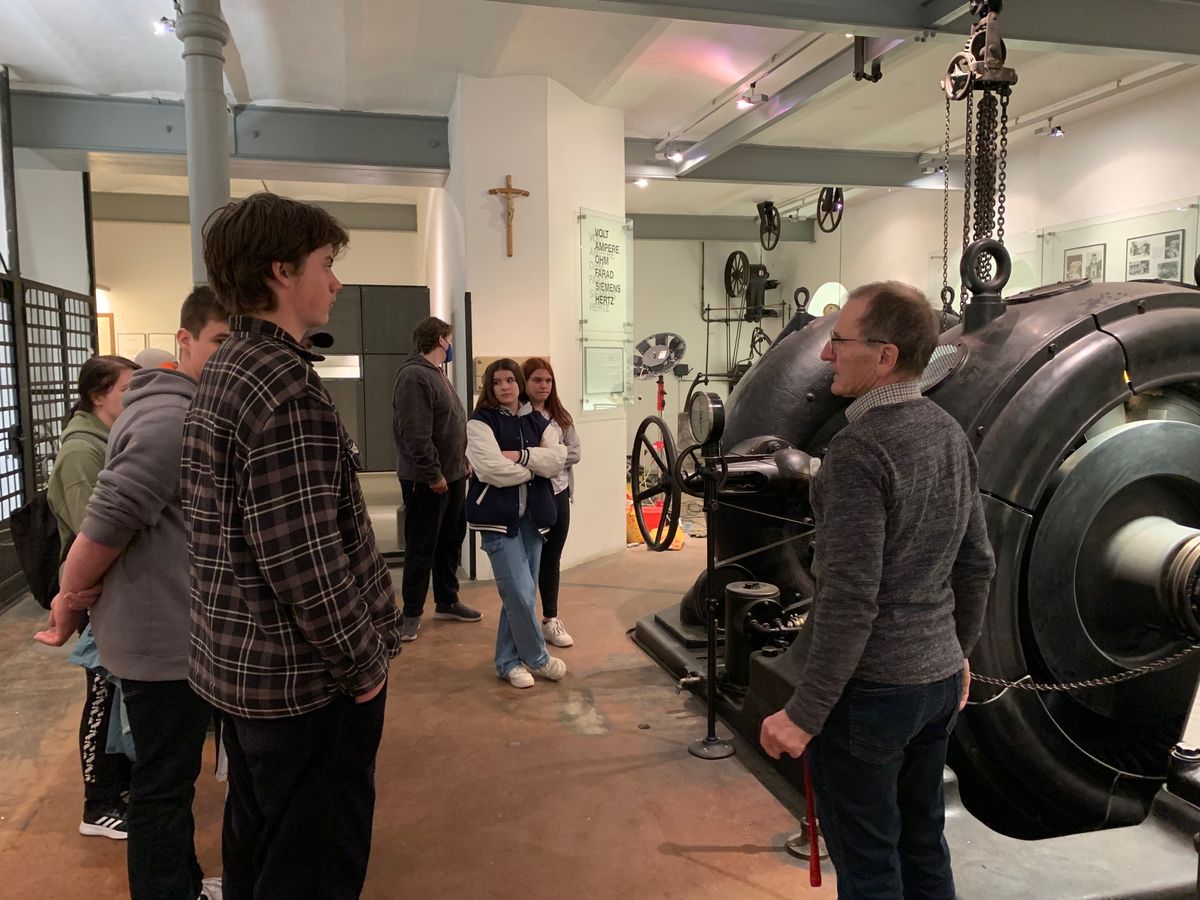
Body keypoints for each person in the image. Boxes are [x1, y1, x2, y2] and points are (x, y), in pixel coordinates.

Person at [182, 193, 403, 900]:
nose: (335, 281)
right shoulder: (284, 388)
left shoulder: (229, 364)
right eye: (325, 263)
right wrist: (364, 666)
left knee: (258, 849)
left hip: (244, 673)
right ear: (281, 271)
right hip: (304, 685)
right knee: (315, 865)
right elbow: (305, 564)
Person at [759, 281, 996, 900]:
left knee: (869, 868)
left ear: (885, 356)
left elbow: (850, 600)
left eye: (839, 341)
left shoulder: (859, 451)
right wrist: (957, 652)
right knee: (923, 845)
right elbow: (977, 562)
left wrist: (804, 714)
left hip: (871, 696)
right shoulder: (949, 433)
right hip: (936, 686)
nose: (826, 354)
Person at [37, 287, 230, 900]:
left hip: (175, 629)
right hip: (161, 638)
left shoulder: (186, 410)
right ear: (185, 342)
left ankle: (182, 883)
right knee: (162, 783)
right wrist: (69, 599)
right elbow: (102, 525)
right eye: (220, 341)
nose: (229, 356)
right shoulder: (168, 418)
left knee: (168, 778)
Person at [44, 354, 137, 840]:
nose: (136, 399)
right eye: (127, 389)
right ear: (98, 396)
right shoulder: (83, 452)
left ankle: (117, 791)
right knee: (102, 695)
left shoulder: (110, 441)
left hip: (111, 592)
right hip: (94, 595)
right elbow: (93, 535)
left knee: (117, 696)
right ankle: (97, 804)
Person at [466, 359, 566, 689]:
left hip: (533, 522)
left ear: (518, 383)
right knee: (520, 594)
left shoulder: (538, 420)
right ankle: (537, 658)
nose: (505, 387)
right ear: (489, 387)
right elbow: (490, 469)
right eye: (497, 382)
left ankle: (508, 661)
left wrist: (521, 457)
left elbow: (558, 460)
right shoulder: (480, 422)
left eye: (510, 380)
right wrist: (534, 467)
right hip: (498, 521)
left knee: (519, 594)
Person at [392, 316, 479, 642]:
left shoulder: (436, 374)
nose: (450, 344)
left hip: (452, 475)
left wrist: (462, 461)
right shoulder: (414, 376)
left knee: (450, 541)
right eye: (449, 339)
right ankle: (411, 613)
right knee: (421, 545)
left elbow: (449, 425)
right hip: (428, 479)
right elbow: (415, 433)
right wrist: (433, 474)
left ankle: (447, 601)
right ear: (440, 340)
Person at [520, 357, 581, 648]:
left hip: (558, 494)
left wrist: (541, 459)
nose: (543, 386)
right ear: (525, 382)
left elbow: (575, 452)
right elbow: (515, 455)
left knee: (551, 558)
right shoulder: (517, 415)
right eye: (537, 380)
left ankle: (550, 620)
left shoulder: (560, 416)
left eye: (548, 380)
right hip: (529, 497)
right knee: (527, 561)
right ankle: (524, 623)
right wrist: (550, 457)